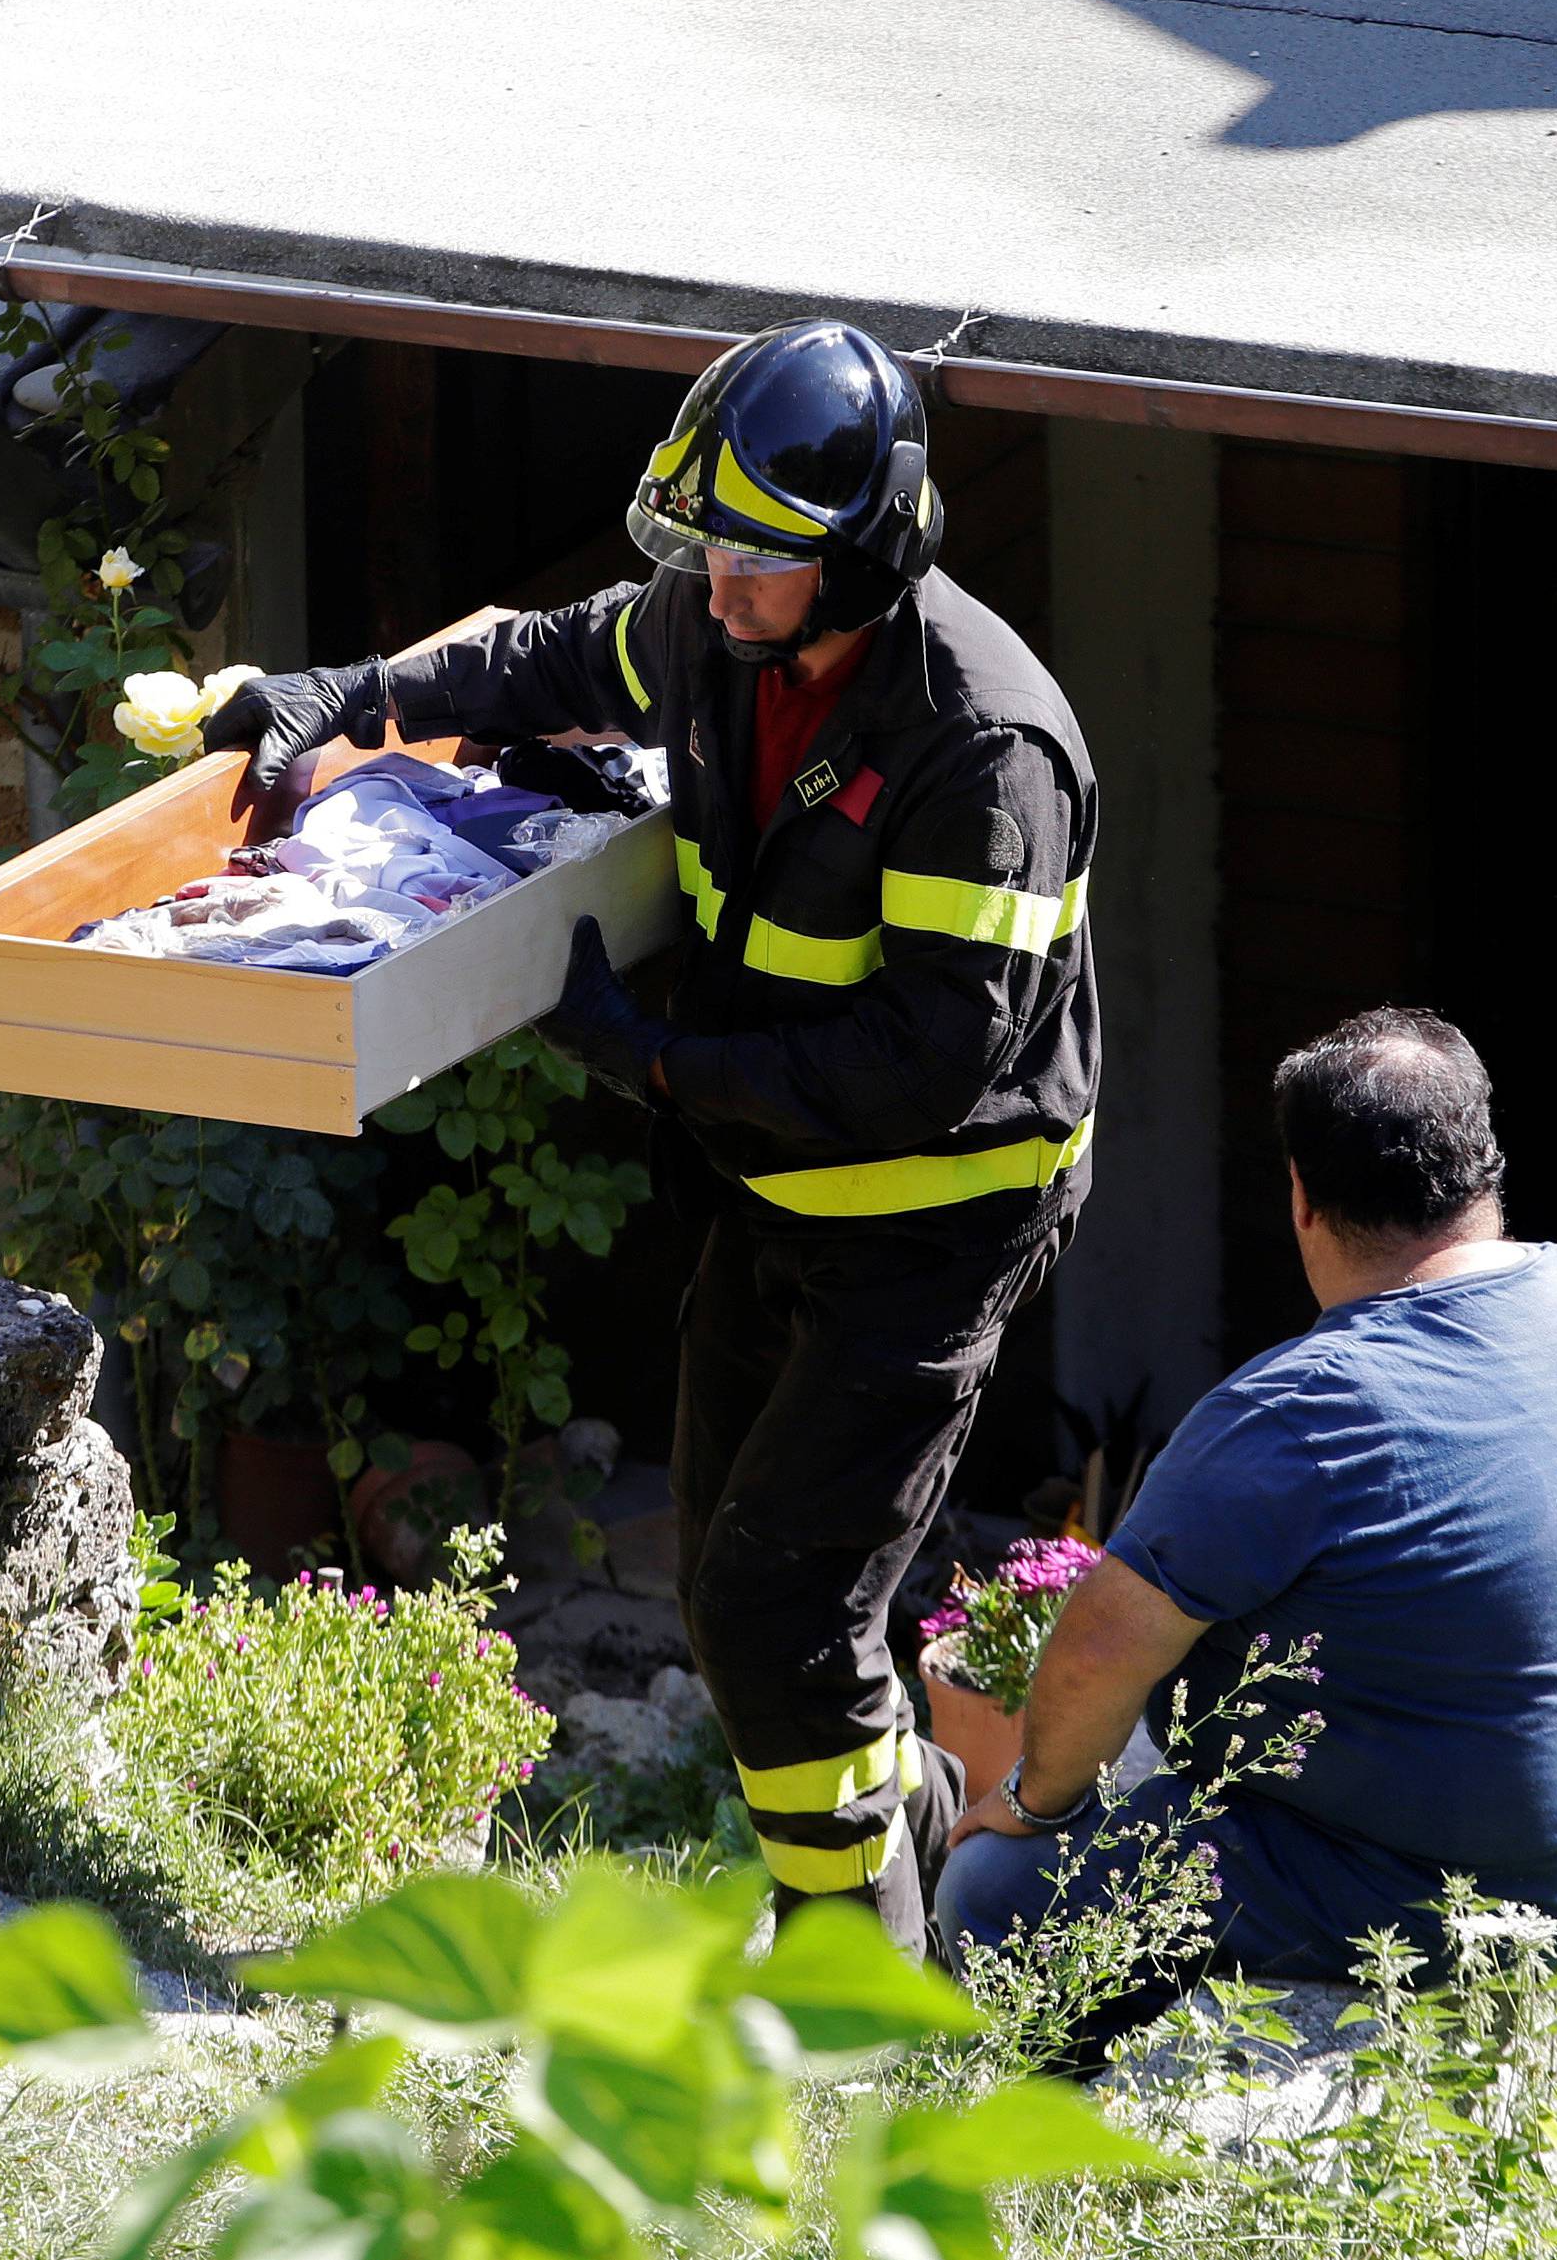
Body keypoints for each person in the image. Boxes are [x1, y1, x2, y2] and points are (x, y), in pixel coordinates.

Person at [207, 318, 1101, 1952]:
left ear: (867, 549)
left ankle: (850, 1972)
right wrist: (361, 693)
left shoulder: (982, 746)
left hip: (931, 1217)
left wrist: (663, 1066)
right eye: (704, 552)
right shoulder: (718, 630)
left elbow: (923, 1063)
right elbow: (553, 654)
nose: (720, 588)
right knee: (722, 1571)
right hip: (775, 1182)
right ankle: (895, 1820)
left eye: (758, 559)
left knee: (777, 1606)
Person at [939, 1006, 1557, 2041]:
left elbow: (1096, 1653)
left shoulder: (1304, 1407)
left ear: (1302, 1197)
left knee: (992, 1887)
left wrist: (1033, 1804)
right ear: (1484, 1166)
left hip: (1415, 1899)